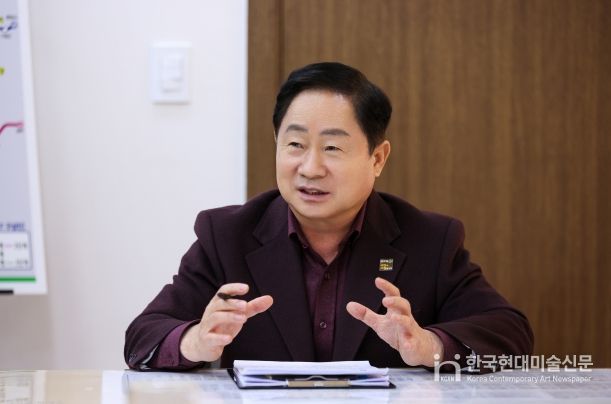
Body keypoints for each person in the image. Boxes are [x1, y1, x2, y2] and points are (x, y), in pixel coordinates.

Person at [124, 62, 533, 371]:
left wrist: (429, 346)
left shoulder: (428, 239)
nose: (310, 168)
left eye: (333, 148)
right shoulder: (227, 235)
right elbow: (142, 337)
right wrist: (195, 341)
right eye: (295, 144)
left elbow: (510, 333)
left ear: (377, 158)